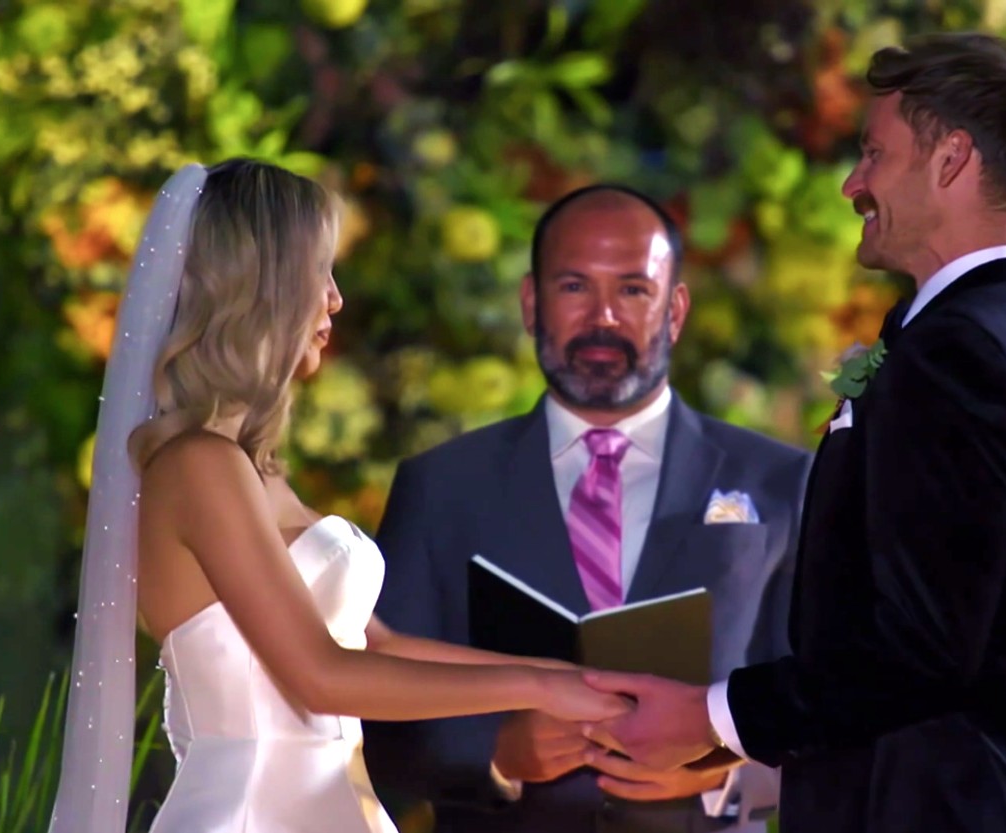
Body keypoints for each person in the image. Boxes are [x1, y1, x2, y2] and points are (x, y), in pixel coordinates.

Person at [579, 33, 1006, 833]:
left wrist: (710, 717)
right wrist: (738, 744)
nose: (852, 183)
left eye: (874, 154)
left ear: (952, 160)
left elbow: (924, 651)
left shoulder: (958, 352)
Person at [46, 159, 629, 833]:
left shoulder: (252, 466)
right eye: (316, 271)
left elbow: (374, 646)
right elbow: (319, 675)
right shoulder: (197, 466)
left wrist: (562, 674)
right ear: (258, 285)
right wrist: (533, 687)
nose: (334, 298)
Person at [361, 184, 812, 833]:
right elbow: (374, 719)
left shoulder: (782, 480)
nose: (603, 317)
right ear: (530, 303)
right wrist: (497, 754)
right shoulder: (440, 486)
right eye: (574, 287)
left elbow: (839, 703)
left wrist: (724, 770)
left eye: (633, 289)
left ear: (676, 308)